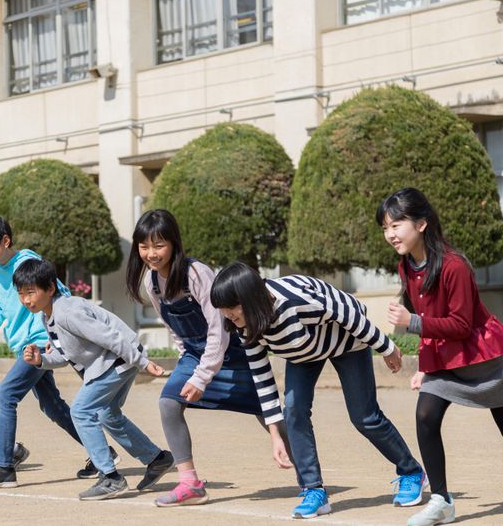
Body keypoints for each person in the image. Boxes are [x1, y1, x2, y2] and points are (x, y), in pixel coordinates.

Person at [210, 262, 426, 519]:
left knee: (364, 417)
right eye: (225, 313)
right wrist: (275, 433)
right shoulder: (243, 324)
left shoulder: (296, 302)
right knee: (294, 411)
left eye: (232, 311)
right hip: (303, 351)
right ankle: (313, 490)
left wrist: (386, 347)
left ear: (251, 298)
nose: (228, 317)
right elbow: (261, 376)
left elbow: (349, 315)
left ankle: (411, 471)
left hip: (346, 341)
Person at [125, 209, 293, 507]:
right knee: (168, 403)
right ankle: (190, 484)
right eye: (144, 246)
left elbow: (220, 331)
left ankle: (309, 476)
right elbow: (173, 329)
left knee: (270, 417)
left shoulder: (196, 274)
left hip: (233, 352)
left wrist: (202, 377)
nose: (151, 253)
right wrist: (186, 366)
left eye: (159, 245)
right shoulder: (152, 282)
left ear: (174, 244)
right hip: (194, 355)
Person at [378, 187, 503, 526]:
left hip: (486, 360)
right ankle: (441, 501)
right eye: (385, 228)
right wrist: (425, 368)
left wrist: (411, 322)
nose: (390, 234)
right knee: (426, 417)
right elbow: (430, 322)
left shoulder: (454, 265)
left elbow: (461, 325)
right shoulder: (407, 267)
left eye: (396, 225)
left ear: (421, 223)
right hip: (446, 360)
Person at [16, 258, 174, 501]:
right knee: (107, 414)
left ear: (49, 288)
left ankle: (110, 477)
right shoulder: (48, 316)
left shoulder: (68, 311)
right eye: (21, 293)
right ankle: (157, 458)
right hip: (116, 362)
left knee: (81, 411)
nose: (26, 299)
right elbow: (68, 354)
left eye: (30, 292)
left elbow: (110, 337)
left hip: (116, 361)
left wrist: (143, 362)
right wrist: (42, 360)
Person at [0, 215, 91, 490]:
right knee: (53, 406)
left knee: (4, 396)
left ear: (5, 241)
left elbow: (59, 293)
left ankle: (3, 468)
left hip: (38, 341)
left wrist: (56, 334)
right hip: (22, 345)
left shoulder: (27, 262)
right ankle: (101, 452)